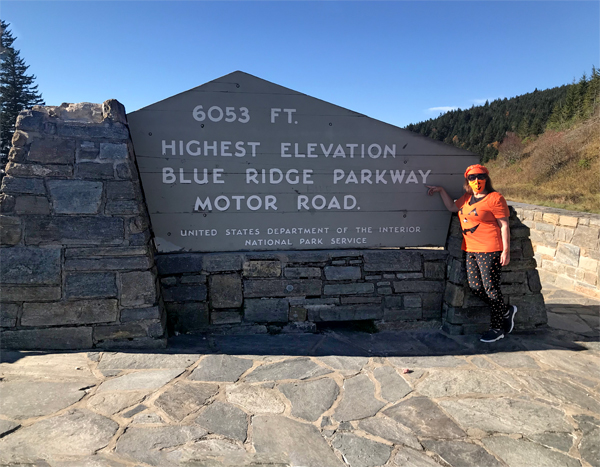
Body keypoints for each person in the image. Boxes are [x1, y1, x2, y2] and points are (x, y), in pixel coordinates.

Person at [427, 164, 517, 342]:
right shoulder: (467, 198)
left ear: (486, 178)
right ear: (467, 180)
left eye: (480, 176)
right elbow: (452, 208)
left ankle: (497, 328)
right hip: (470, 249)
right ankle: (505, 310)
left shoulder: (495, 198)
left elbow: (504, 225)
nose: (477, 180)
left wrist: (506, 250)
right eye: (472, 177)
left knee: (491, 289)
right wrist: (441, 190)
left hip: (490, 249)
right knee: (475, 287)